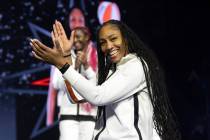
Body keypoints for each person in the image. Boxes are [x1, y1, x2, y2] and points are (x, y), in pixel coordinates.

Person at [30, 20, 181, 140]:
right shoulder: (110, 71)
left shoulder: (136, 65)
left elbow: (98, 96)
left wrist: (62, 65)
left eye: (113, 39)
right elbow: (76, 95)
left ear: (126, 39)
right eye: (103, 42)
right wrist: (67, 56)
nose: (108, 46)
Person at [46, 19, 98, 140]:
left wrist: (86, 66)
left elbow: (98, 86)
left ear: (87, 38)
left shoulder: (97, 57)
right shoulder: (63, 55)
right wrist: (72, 68)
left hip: (90, 115)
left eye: (80, 37)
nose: (76, 40)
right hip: (67, 115)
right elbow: (57, 83)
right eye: (74, 37)